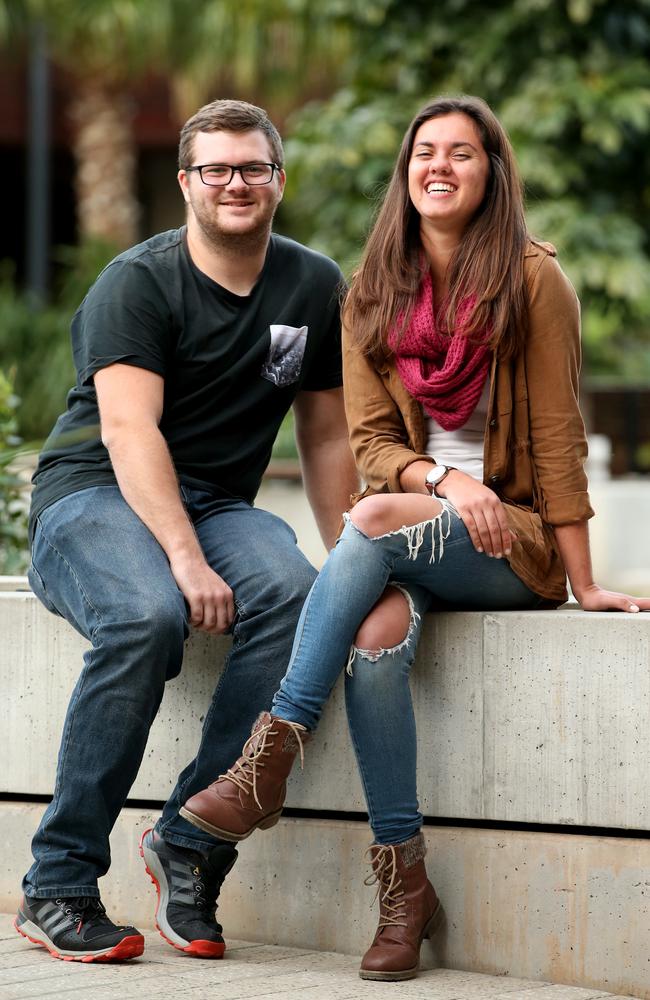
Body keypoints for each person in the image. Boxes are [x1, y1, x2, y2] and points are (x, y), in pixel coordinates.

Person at [177, 95, 650, 982]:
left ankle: (270, 753)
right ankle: (405, 888)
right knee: (375, 638)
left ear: (490, 174)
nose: (440, 165)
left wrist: (583, 584)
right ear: (405, 172)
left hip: (514, 542)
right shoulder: (369, 299)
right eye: (425, 151)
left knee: (370, 516)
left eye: (462, 153)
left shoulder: (534, 281)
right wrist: (446, 480)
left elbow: (556, 436)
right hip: (421, 531)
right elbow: (373, 447)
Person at [15, 99, 358, 964]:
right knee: (146, 616)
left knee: (296, 594)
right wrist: (184, 560)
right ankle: (56, 883)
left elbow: (323, 435)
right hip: (92, 494)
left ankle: (192, 840)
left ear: (279, 180)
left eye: (252, 168)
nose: (235, 183)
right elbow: (131, 435)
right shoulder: (140, 280)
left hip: (214, 499)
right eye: (216, 169)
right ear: (186, 184)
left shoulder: (314, 285)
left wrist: (356, 555)